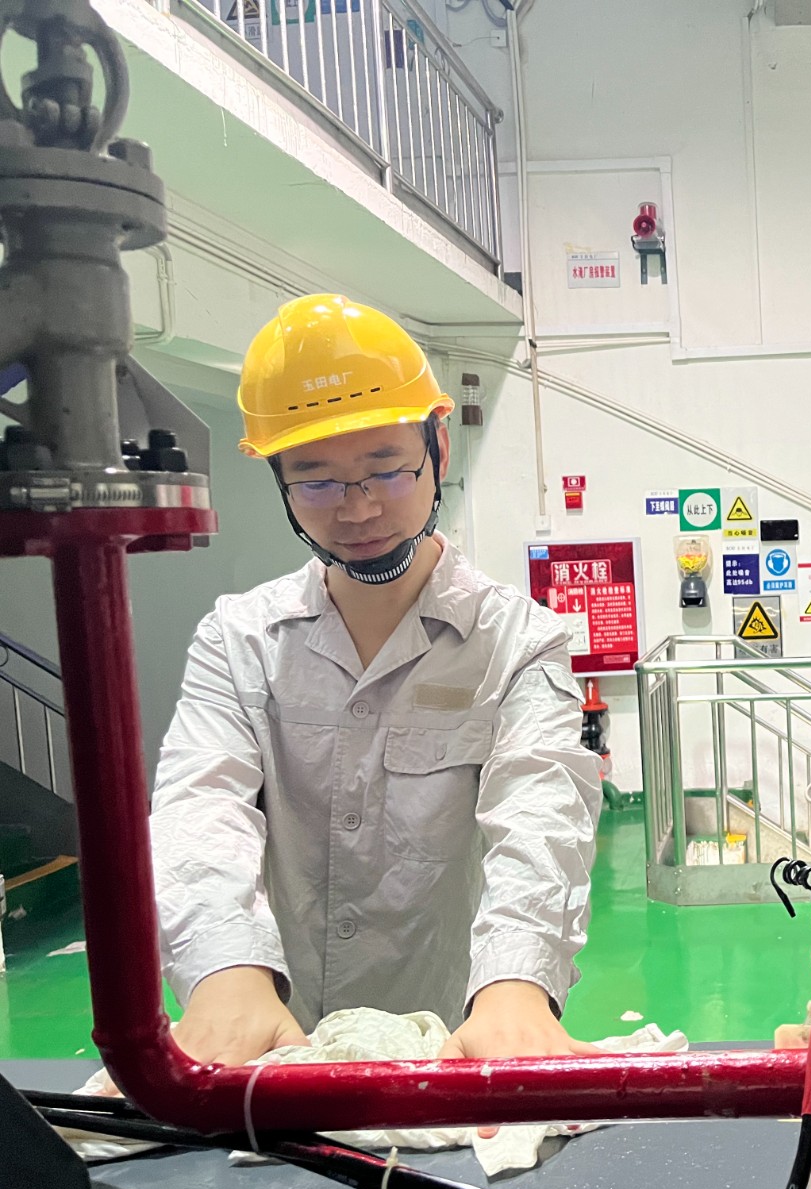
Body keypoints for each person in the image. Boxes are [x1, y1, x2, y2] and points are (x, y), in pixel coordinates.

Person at [150, 294, 602, 1070]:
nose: (358, 508)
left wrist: (516, 987)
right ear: (279, 481)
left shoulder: (519, 642)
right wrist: (225, 974)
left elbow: (541, 815)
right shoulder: (238, 640)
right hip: (275, 1042)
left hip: (457, 1041)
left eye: (387, 469)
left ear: (439, 450)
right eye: (317, 481)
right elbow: (201, 805)